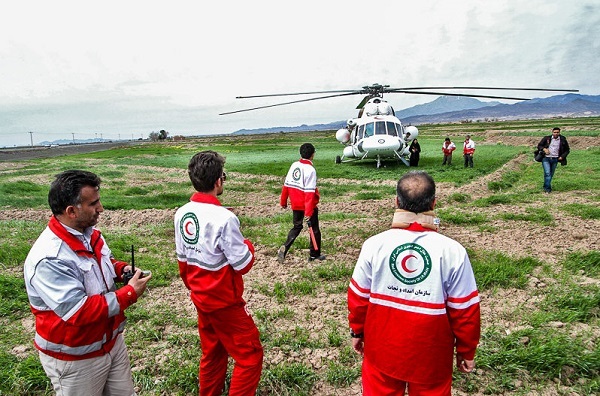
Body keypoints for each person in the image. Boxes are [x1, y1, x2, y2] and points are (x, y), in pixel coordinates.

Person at [348, 171, 480, 395]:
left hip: (382, 351)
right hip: (432, 356)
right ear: (434, 203)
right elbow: (465, 311)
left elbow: (358, 298)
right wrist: (466, 351)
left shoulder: (374, 245)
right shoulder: (453, 251)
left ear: (397, 202)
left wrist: (357, 332)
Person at [23, 170, 151, 396]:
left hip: (110, 343)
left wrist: (122, 270)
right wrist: (130, 293)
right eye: (93, 203)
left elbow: (103, 262)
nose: (101, 208)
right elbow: (78, 312)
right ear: (71, 211)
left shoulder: (90, 234)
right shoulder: (50, 258)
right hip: (75, 357)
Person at [175, 151, 263, 395]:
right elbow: (243, 264)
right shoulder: (225, 218)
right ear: (218, 181)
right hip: (225, 301)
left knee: (212, 352)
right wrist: (248, 244)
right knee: (250, 355)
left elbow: (183, 259)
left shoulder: (182, 213)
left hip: (200, 297)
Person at [278, 143, 325, 263]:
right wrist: (309, 212)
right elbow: (309, 194)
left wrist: (283, 202)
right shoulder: (311, 170)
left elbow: (286, 185)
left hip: (295, 204)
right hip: (307, 205)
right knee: (314, 229)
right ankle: (314, 255)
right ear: (312, 154)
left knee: (297, 226)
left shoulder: (294, 165)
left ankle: (285, 247)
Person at [537, 127, 570, 193]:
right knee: (547, 173)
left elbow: (567, 150)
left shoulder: (562, 139)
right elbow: (539, 146)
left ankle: (545, 185)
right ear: (552, 132)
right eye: (554, 132)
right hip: (546, 158)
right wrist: (544, 149)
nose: (556, 133)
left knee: (550, 174)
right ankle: (548, 189)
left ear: (559, 132)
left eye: (557, 132)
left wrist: (562, 157)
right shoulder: (547, 138)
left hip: (555, 159)